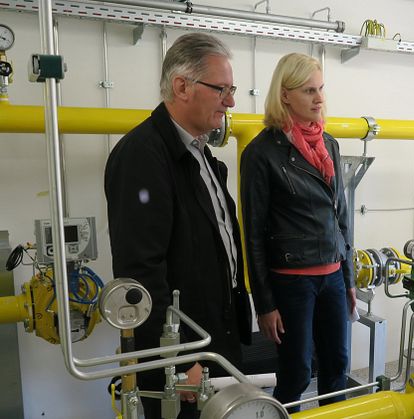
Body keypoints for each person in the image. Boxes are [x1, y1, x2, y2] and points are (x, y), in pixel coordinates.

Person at [105, 32, 252, 419]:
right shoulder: (143, 157)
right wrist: (179, 359)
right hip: (183, 359)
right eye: (221, 89)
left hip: (214, 340)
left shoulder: (200, 153)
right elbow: (139, 273)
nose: (231, 101)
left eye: (231, 89)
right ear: (181, 86)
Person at [240, 52, 355, 412]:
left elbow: (341, 217)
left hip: (333, 277)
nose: (319, 99)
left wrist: (348, 277)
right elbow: (253, 233)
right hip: (292, 283)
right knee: (296, 373)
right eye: (309, 91)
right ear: (284, 95)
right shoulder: (262, 152)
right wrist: (265, 304)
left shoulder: (329, 144)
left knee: (337, 368)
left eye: (320, 89)